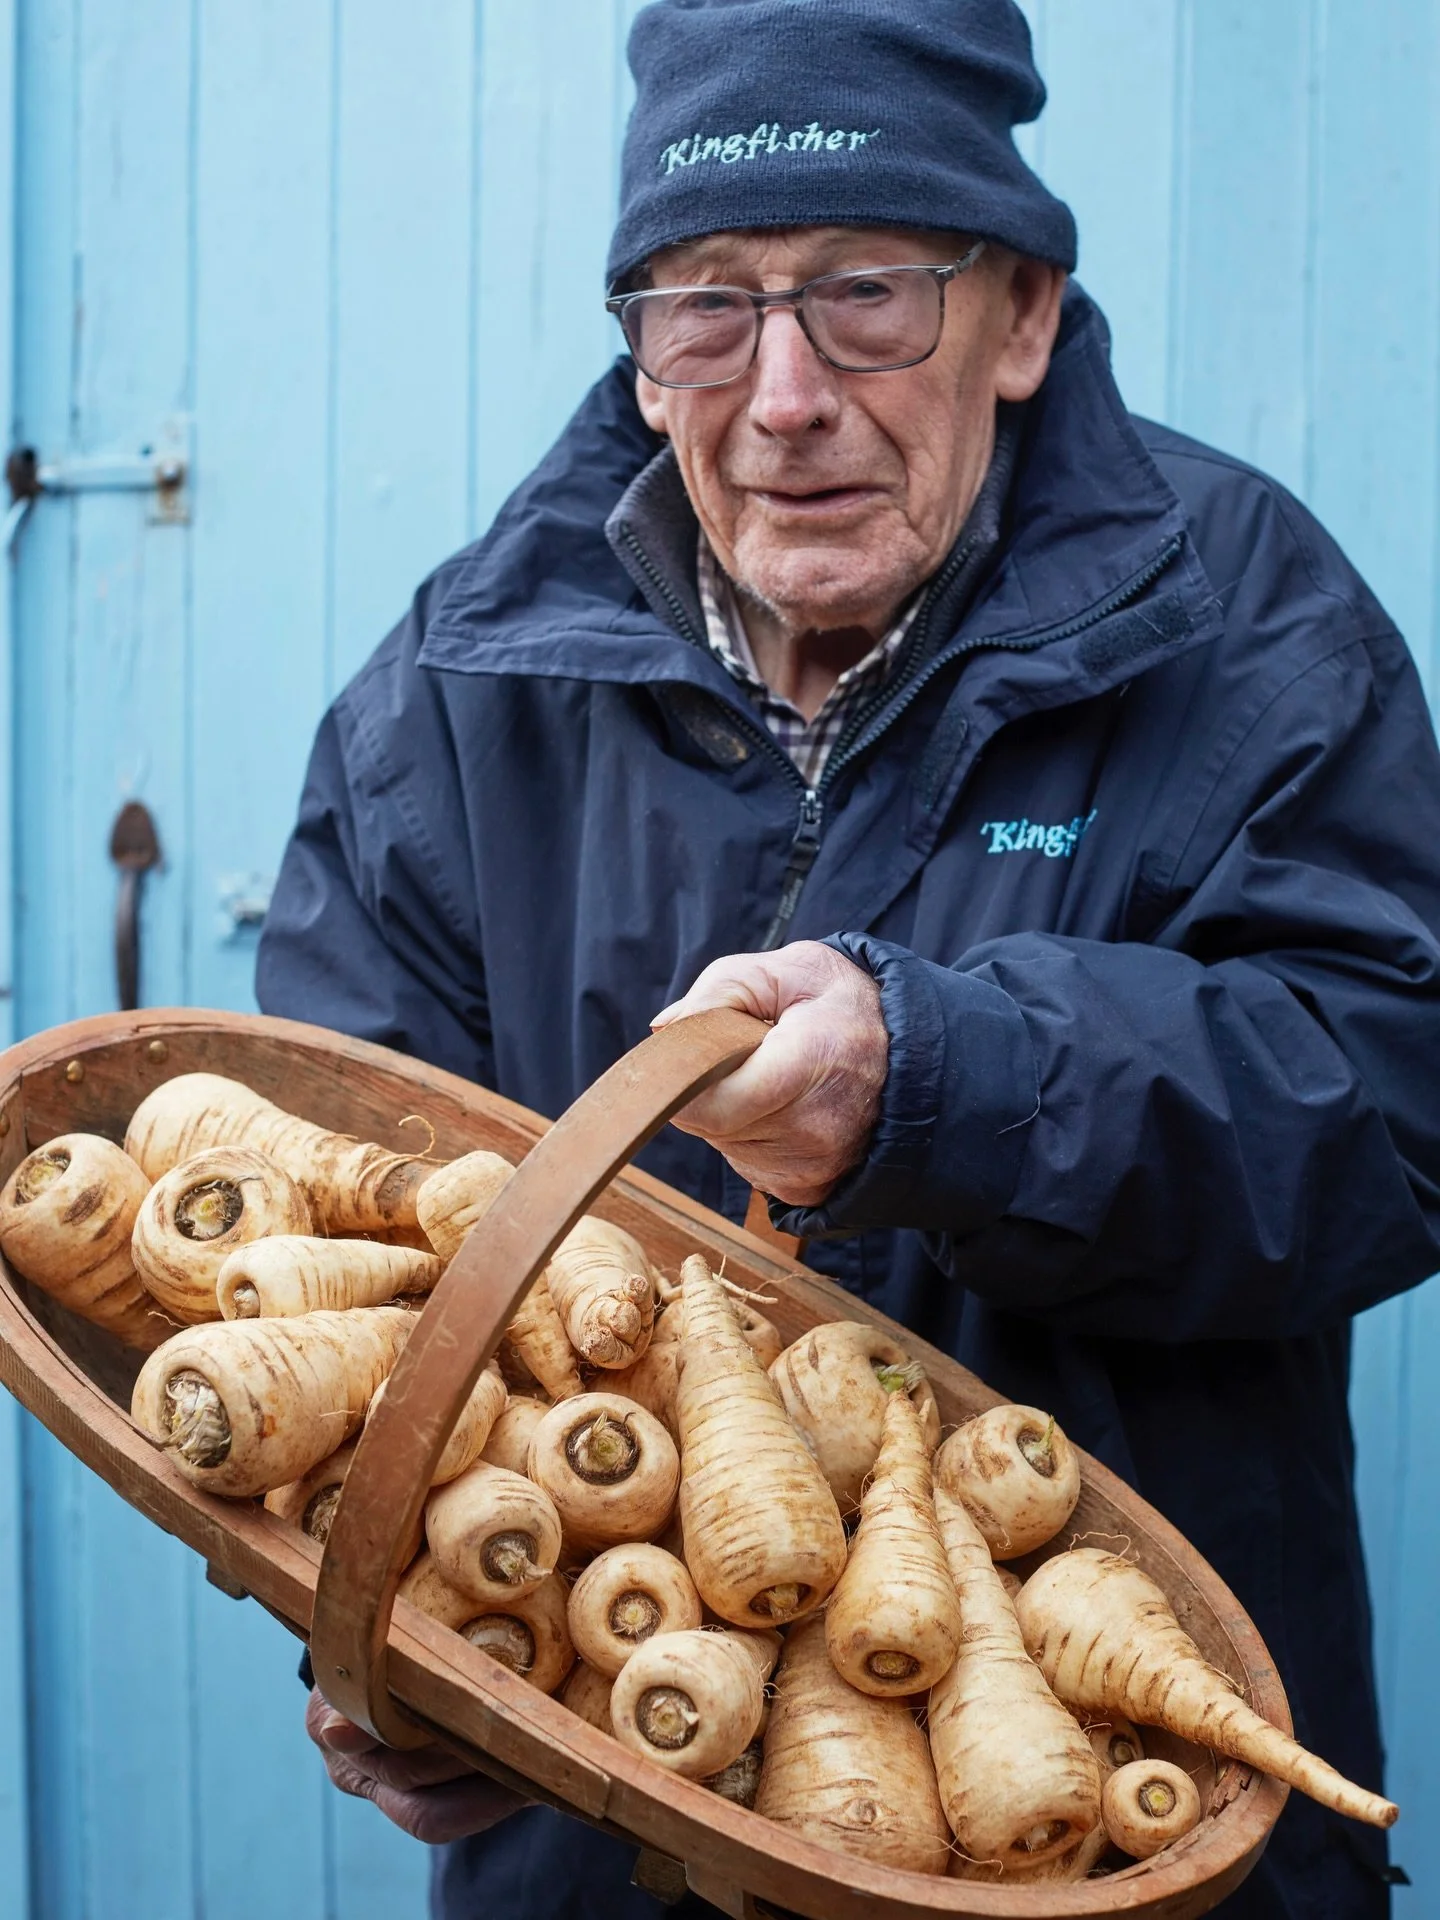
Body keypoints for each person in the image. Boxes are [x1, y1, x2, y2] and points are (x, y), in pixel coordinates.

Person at [256, 2, 1440, 1914]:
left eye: (863, 293)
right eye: (704, 305)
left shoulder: (1245, 628)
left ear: (1024, 314)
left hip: (1112, 1815)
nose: (782, 393)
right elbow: (340, 1257)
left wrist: (943, 1081)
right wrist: (382, 1613)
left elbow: (1389, 1107)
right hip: (621, 1808)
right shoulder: (460, 696)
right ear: (640, 358)